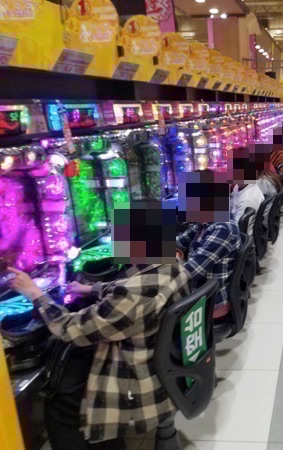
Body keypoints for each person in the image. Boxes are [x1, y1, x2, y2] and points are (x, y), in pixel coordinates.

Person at [8, 200, 192, 449]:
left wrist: (35, 294)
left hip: (138, 380)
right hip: (166, 364)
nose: (114, 241)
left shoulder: (133, 293)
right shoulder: (174, 266)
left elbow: (70, 329)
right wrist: (91, 288)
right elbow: (134, 288)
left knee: (61, 398)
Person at [177, 171, 242, 320]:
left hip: (209, 302)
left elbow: (191, 272)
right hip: (198, 291)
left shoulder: (223, 228)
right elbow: (180, 240)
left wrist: (173, 261)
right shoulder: (207, 220)